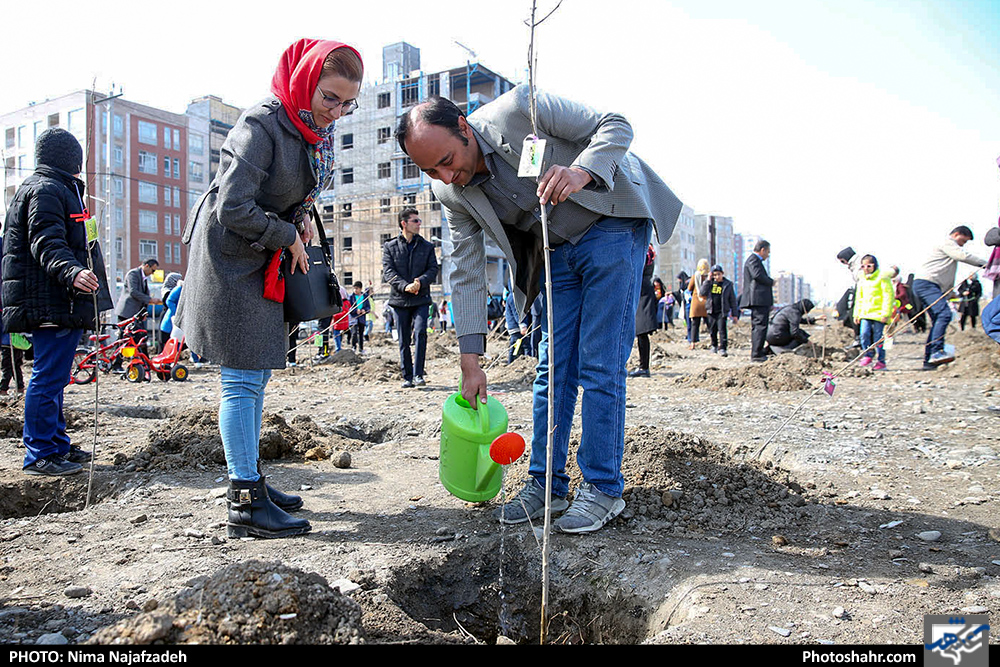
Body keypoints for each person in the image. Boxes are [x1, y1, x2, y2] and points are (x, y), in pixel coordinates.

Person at [396, 87, 683, 534]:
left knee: (599, 362)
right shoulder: (450, 193)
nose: (446, 176)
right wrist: (469, 361)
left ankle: (603, 487)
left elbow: (615, 124)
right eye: (431, 169)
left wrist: (581, 171)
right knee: (552, 369)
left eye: (448, 160)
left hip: (609, 221)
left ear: (464, 129)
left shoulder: (520, 109)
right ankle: (546, 483)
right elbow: (467, 272)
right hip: (556, 252)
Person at [177, 39, 364, 538]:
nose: (337, 111)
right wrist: (285, 234)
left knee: (257, 374)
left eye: (349, 103)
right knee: (240, 378)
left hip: (262, 258)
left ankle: (253, 478)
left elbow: (295, 191)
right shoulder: (262, 125)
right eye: (330, 98)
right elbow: (231, 207)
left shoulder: (309, 129)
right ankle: (244, 503)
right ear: (305, 83)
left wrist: (299, 220)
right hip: (232, 260)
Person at [2, 128, 113, 475]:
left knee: (55, 376)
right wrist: (73, 272)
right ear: (71, 160)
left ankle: (56, 444)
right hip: (51, 300)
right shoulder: (47, 190)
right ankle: (40, 454)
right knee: (47, 377)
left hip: (55, 300)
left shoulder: (55, 188)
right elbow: (46, 241)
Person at [912, 225, 987, 370]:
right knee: (944, 314)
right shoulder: (947, 243)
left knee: (938, 319)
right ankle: (936, 352)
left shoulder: (947, 248)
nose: (962, 245)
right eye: (963, 241)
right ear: (957, 234)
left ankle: (929, 360)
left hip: (930, 286)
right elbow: (962, 256)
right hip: (927, 285)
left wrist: (950, 293)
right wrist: (985, 264)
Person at [382, 207, 438, 388]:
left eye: (419, 220)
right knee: (404, 338)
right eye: (415, 221)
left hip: (421, 298)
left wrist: (419, 282)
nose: (419, 224)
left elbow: (433, 270)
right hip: (399, 300)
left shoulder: (427, 246)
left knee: (421, 332)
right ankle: (407, 376)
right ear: (404, 224)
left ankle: (419, 374)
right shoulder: (390, 247)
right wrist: (405, 286)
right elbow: (388, 272)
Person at [853, 254, 894, 370]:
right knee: (864, 334)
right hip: (865, 313)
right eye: (863, 266)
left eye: (869, 266)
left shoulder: (882, 278)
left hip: (879, 314)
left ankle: (881, 361)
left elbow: (888, 296)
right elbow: (859, 298)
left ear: (875, 266)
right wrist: (856, 314)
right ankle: (868, 355)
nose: (866, 269)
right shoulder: (862, 280)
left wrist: (886, 313)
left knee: (879, 337)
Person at [740, 240, 774, 362]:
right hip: (758, 300)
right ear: (762, 249)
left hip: (759, 300)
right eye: (768, 252)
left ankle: (758, 352)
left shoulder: (754, 260)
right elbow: (757, 275)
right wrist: (771, 281)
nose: (768, 255)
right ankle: (757, 354)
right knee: (760, 326)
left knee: (760, 326)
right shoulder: (753, 260)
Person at [630, 244, 658, 378]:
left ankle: (644, 367)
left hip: (642, 291)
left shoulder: (645, 251)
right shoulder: (647, 250)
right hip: (642, 289)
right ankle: (643, 366)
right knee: (640, 332)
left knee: (641, 331)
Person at [699, 264, 739, 357]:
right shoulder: (709, 283)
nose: (716, 277)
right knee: (712, 330)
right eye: (714, 275)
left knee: (722, 330)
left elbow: (732, 300)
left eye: (718, 274)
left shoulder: (727, 284)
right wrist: (708, 280)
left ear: (722, 274)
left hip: (722, 310)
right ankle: (714, 345)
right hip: (711, 310)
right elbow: (702, 293)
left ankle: (723, 348)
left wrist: (734, 314)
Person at [686, 259, 710, 350]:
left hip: (696, 302)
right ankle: (713, 340)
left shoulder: (695, 276)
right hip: (706, 302)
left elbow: (689, 288)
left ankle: (693, 343)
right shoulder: (709, 277)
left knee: (695, 324)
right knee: (709, 323)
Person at [504, 288, 530, 364]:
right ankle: (527, 362)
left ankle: (511, 362)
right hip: (516, 327)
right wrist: (522, 325)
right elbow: (517, 313)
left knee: (515, 346)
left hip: (513, 326)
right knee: (525, 346)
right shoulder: (514, 298)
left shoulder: (511, 297)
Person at [348, 281, 369, 354]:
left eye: (356, 288)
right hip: (353, 319)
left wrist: (364, 310)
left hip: (362, 318)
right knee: (354, 333)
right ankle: (353, 347)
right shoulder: (351, 297)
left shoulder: (365, 296)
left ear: (360, 289)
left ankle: (361, 349)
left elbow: (368, 307)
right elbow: (349, 308)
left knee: (361, 334)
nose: (355, 290)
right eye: (354, 288)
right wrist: (355, 310)